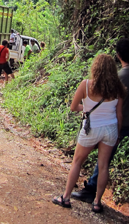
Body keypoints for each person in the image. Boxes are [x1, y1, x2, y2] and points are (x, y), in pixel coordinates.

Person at [71, 38, 129, 203]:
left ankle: (91, 189)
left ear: (119, 55)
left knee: (104, 160)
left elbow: (111, 104)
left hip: (117, 122)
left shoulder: (118, 77)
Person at [52, 54, 124, 213]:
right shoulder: (117, 89)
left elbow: (73, 107)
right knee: (103, 166)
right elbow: (119, 115)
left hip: (91, 128)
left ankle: (66, 197)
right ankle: (97, 202)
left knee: (77, 162)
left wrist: (86, 109)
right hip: (110, 129)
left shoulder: (86, 85)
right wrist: (118, 134)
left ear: (95, 68)